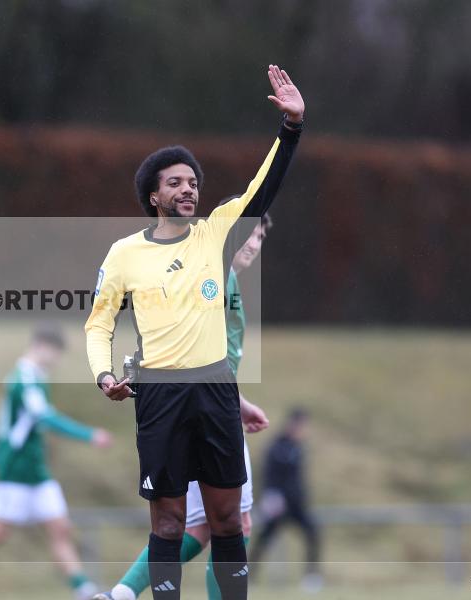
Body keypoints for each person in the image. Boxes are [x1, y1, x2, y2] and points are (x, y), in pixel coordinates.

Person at [85, 65, 304, 600]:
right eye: (175, 183)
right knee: (168, 524)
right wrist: (104, 374)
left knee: (229, 521)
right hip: (158, 394)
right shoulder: (123, 255)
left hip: (214, 393)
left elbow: (261, 189)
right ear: (154, 197)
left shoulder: (214, 235)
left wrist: (291, 128)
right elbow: (98, 323)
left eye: (193, 182)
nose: (188, 189)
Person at [94, 216, 274, 600]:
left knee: (198, 526)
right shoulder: (211, 276)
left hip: (212, 406)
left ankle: (122, 594)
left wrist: (238, 403)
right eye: (248, 236)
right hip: (204, 414)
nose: (254, 245)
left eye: (260, 237)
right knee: (230, 523)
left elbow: (212, 359)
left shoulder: (229, 282)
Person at [0, 323, 112, 600]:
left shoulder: (35, 378)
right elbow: (41, 418)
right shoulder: (23, 379)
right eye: (56, 353)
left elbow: (11, 427)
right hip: (16, 472)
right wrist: (89, 435)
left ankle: (83, 589)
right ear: (42, 347)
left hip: (37, 472)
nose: (56, 360)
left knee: (60, 529)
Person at [249, 408, 322, 591]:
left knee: (313, 533)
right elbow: (269, 475)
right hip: (279, 505)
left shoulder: (298, 447)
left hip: (296, 505)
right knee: (264, 538)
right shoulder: (277, 446)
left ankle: (311, 576)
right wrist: (270, 496)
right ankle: (249, 577)